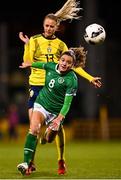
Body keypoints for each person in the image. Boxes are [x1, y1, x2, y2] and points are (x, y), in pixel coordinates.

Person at [18, 0, 102, 175]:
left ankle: (61, 160)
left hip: (55, 87)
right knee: (33, 128)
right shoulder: (34, 40)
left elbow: (73, 65)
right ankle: (29, 163)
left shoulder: (61, 45)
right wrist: (26, 46)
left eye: (51, 26)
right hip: (37, 85)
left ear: (56, 27)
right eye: (46, 26)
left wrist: (89, 78)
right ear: (43, 25)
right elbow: (28, 61)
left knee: (57, 127)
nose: (48, 28)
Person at [17, 46, 87, 175]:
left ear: (72, 65)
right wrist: (29, 64)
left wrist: (59, 119)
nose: (64, 64)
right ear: (59, 60)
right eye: (63, 60)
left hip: (56, 112)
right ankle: (26, 164)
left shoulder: (72, 80)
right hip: (41, 104)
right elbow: (41, 64)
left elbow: (67, 104)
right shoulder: (51, 66)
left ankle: (47, 137)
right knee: (33, 129)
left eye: (68, 62)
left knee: (49, 139)